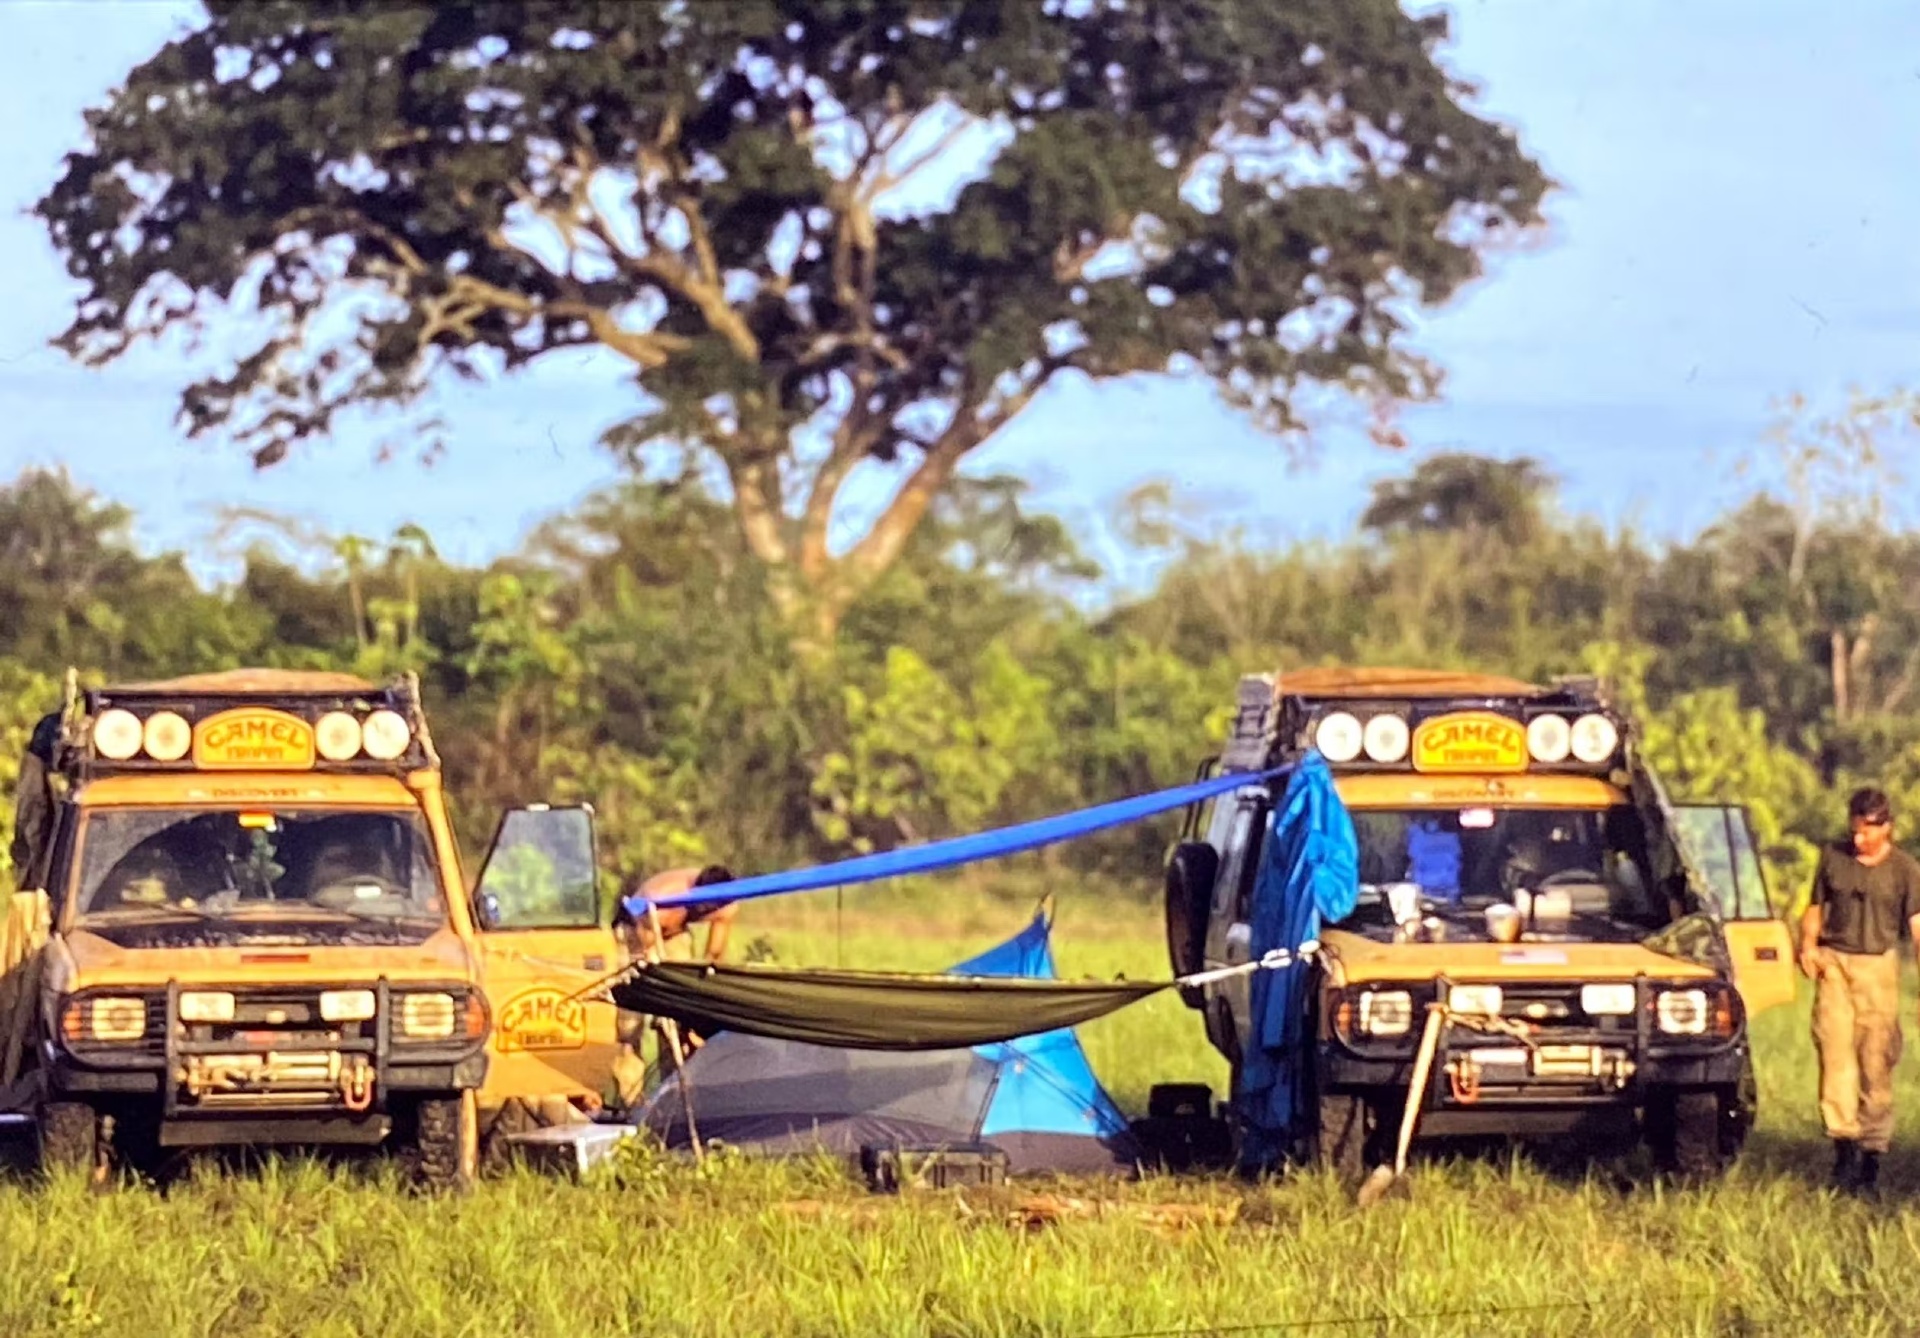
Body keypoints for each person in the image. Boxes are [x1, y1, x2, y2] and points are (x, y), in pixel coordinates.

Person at [1797, 787, 1920, 1195]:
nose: (1858, 840)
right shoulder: (1833, 857)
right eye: (1854, 830)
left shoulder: (1905, 869)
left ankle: (1872, 1154)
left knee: (1876, 1060)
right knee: (1834, 1053)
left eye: (1867, 832)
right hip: (1835, 963)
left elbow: (1918, 929)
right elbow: (1815, 906)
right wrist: (1807, 945)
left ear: (1887, 827)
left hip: (1878, 969)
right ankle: (1843, 1147)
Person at [608, 864, 741, 1109]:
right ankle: (631, 1103)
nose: (707, 913)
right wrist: (660, 987)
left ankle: (674, 1098)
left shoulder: (727, 903)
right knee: (628, 1026)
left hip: (675, 936)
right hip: (635, 935)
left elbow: (714, 955)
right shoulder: (663, 898)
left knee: (678, 1018)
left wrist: (699, 1006)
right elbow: (650, 953)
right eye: (703, 908)